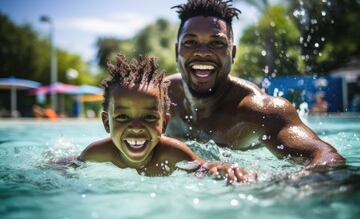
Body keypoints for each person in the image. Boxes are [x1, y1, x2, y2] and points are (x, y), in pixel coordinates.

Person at [165, 0, 345, 169]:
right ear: (176, 52)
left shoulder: (259, 111)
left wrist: (291, 185)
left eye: (217, 43)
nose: (203, 52)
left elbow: (326, 156)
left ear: (232, 53)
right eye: (190, 42)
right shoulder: (159, 96)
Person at [78, 53, 255, 184]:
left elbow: (205, 167)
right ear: (107, 123)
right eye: (123, 117)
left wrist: (223, 169)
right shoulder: (97, 153)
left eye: (149, 117)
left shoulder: (173, 153)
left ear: (164, 124)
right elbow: (67, 169)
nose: (137, 127)